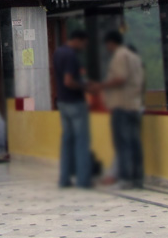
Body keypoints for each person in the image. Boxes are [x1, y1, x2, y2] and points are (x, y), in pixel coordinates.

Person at [100, 30, 145, 188]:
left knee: (123, 144)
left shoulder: (120, 55)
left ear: (111, 43)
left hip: (122, 106)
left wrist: (102, 85)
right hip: (134, 105)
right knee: (135, 144)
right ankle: (137, 178)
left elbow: (120, 78)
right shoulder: (134, 57)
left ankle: (126, 178)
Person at [53, 29, 96, 188]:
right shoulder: (71, 55)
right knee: (81, 142)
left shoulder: (58, 52)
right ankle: (83, 180)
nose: (84, 47)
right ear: (78, 40)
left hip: (63, 102)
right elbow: (69, 81)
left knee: (67, 142)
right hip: (75, 103)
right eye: (84, 43)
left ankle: (64, 179)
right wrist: (86, 87)